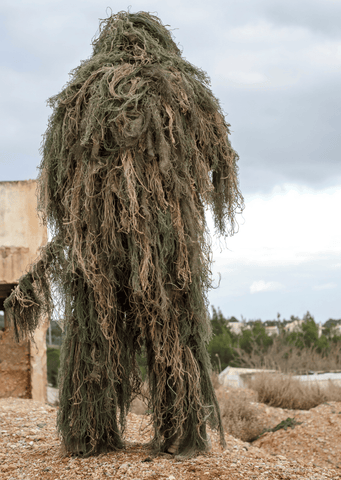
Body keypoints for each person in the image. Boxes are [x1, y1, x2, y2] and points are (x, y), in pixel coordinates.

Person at [5, 10, 244, 458]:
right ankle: (180, 434)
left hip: (97, 245)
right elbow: (220, 163)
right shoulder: (182, 89)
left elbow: (55, 181)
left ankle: (90, 437)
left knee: (97, 335)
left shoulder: (79, 96)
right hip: (167, 246)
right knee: (173, 334)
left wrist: (78, 217)